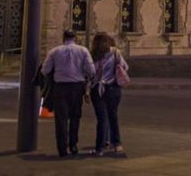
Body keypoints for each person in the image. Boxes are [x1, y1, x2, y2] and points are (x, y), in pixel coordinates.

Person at [43, 29, 96, 157]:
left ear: (63, 38)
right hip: (77, 87)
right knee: (75, 117)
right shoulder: (83, 50)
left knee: (61, 119)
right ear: (75, 38)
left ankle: (62, 148)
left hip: (60, 88)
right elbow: (91, 70)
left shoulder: (54, 51)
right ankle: (73, 144)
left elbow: (45, 70)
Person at [89, 33, 128, 155]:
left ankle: (99, 147)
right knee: (113, 116)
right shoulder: (115, 52)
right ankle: (116, 144)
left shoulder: (93, 54)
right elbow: (124, 66)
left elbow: (90, 72)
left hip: (97, 88)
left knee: (101, 118)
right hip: (112, 87)